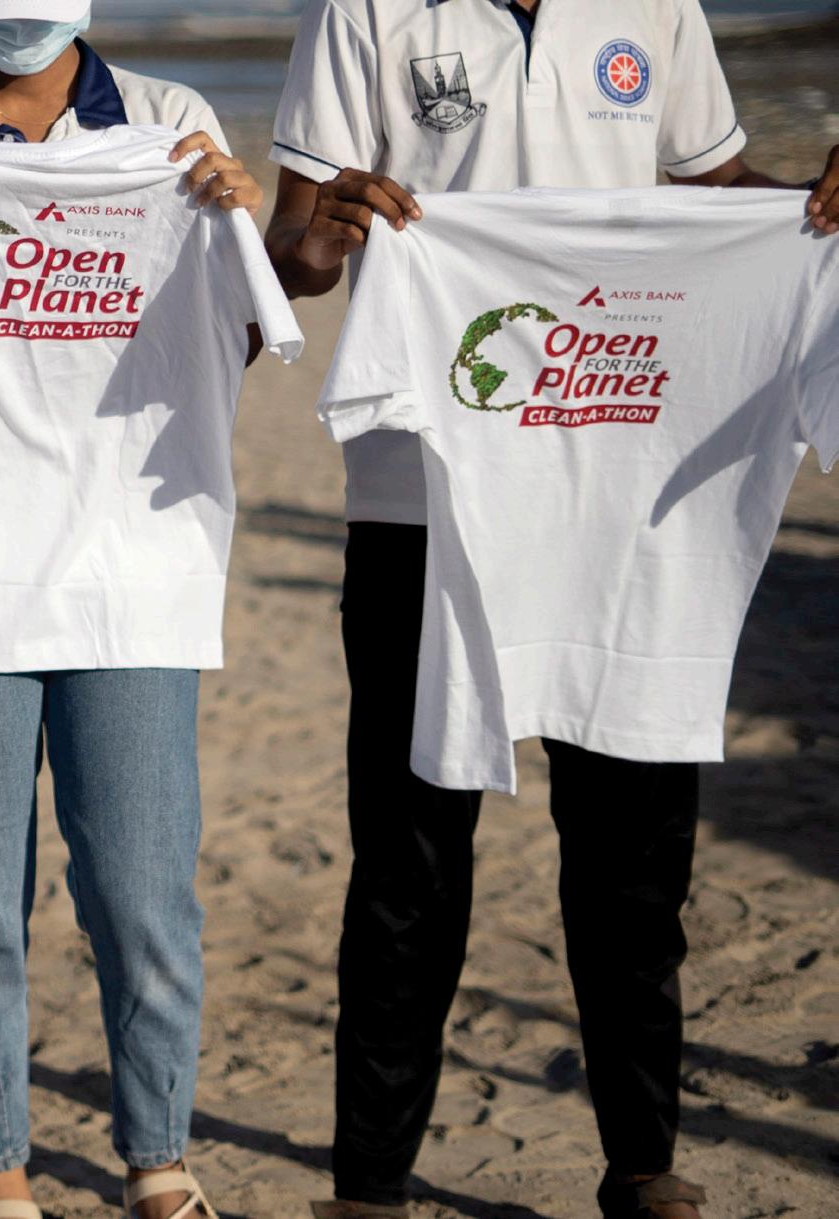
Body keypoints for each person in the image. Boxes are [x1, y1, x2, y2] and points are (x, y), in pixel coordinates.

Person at [258, 2, 839, 1216]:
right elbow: (293, 250)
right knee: (409, 856)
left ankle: (642, 1165)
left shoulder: (653, 5)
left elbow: (717, 192)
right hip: (423, 493)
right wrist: (331, 229)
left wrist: (816, 205)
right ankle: (368, 1187)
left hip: (623, 487)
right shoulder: (364, 6)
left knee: (634, 860)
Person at [0, 2, 266, 1217]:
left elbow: (229, 344)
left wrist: (236, 231)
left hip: (131, 563)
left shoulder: (172, 123)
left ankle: (158, 1161)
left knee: (140, 886)